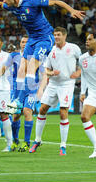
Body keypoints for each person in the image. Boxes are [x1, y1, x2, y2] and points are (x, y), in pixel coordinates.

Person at [0, 0, 85, 152]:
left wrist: (71, 10)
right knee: (21, 69)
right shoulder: (11, 5)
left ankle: (18, 100)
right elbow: (0, 5)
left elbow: (56, 2)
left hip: (44, 38)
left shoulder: (31, 1)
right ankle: (17, 100)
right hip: (32, 39)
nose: (4, 1)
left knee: (32, 66)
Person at [29, 27, 81, 156]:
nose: (56, 37)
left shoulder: (74, 48)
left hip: (67, 84)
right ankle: (37, 140)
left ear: (64, 36)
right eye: (55, 35)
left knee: (63, 113)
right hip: (53, 84)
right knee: (42, 110)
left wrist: (78, 72)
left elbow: (84, 63)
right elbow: (45, 70)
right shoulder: (51, 50)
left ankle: (63, 145)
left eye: (58, 35)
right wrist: (51, 72)